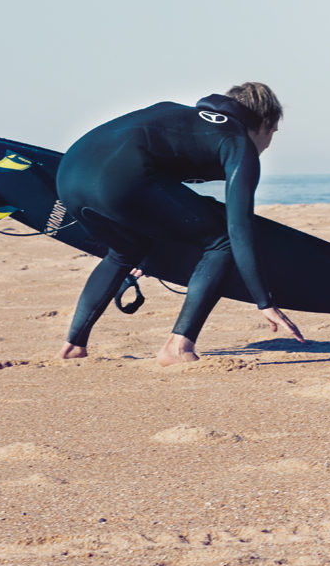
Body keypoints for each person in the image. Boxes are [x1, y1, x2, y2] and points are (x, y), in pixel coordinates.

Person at [54, 83, 303, 363]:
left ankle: (73, 346)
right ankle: (178, 346)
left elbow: (156, 201)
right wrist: (264, 301)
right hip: (119, 181)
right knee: (221, 240)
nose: (268, 145)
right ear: (264, 123)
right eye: (272, 133)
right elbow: (239, 228)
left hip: (67, 177)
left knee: (127, 250)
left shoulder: (173, 113)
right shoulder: (238, 143)